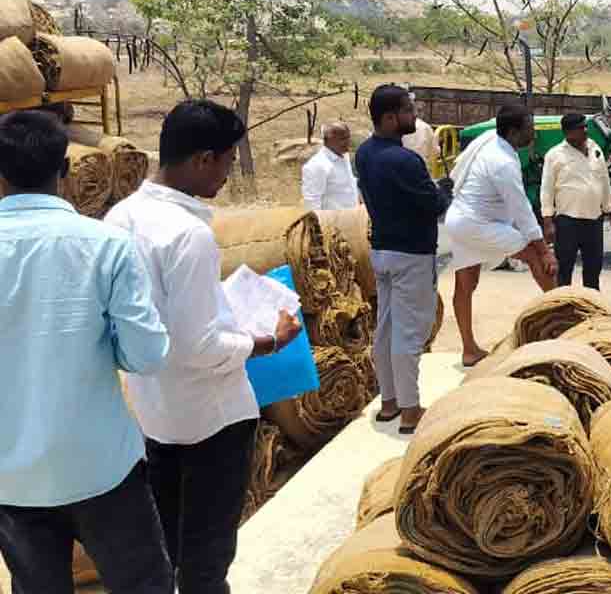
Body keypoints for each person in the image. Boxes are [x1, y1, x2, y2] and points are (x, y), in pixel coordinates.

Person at [106, 99, 302, 594]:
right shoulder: (187, 235)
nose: (228, 176)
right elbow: (199, 345)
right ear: (201, 160)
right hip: (213, 417)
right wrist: (266, 341)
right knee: (208, 555)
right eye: (227, 162)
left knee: (169, 543)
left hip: (155, 412)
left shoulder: (120, 217)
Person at [0, 110, 173, 594]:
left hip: (11, 476)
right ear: (65, 172)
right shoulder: (107, 247)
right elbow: (147, 356)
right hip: (101, 469)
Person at [354, 84, 452, 434]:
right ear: (391, 117)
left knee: (386, 329)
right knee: (409, 334)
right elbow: (435, 205)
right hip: (412, 255)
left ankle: (390, 403)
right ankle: (411, 411)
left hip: (382, 251)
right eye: (409, 111)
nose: (414, 117)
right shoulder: (405, 160)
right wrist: (444, 189)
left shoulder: (364, 153)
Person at [444, 104, 557, 366]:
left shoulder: (490, 140)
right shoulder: (502, 162)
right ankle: (560, 319)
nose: (534, 133)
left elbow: (458, 167)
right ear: (514, 131)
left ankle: (469, 350)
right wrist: (544, 250)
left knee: (465, 283)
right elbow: (522, 211)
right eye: (530, 127)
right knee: (536, 258)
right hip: (476, 224)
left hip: (460, 220)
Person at [540, 112, 611, 290]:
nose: (585, 131)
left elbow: (604, 180)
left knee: (593, 269)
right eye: (580, 128)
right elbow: (546, 190)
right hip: (567, 221)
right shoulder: (554, 155)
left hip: (594, 220)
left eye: (585, 127)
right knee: (564, 271)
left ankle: (592, 310)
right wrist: (547, 221)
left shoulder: (594, 149)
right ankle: (562, 310)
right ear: (568, 133)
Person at [301, 122, 359, 211]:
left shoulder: (344, 156)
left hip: (352, 218)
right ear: (328, 139)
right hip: (331, 222)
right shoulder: (317, 165)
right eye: (343, 139)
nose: (348, 142)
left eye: (348, 137)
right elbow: (312, 202)